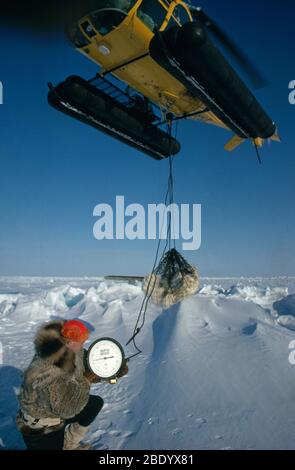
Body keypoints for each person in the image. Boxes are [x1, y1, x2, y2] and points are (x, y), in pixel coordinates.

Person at [16, 319, 128, 450]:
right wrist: (86, 381)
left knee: (94, 404)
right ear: (68, 342)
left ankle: (69, 444)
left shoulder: (72, 350)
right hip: (42, 426)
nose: (83, 345)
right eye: (81, 343)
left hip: (57, 411)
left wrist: (114, 370)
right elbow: (66, 408)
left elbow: (92, 367)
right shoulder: (50, 368)